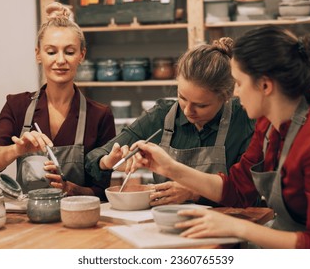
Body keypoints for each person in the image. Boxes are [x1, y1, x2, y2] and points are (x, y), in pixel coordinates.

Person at [130, 25, 310, 249]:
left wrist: (237, 227)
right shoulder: (269, 125)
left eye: (239, 83)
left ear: (265, 85)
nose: (235, 93)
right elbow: (238, 189)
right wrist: (169, 167)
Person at [85, 38, 255, 207]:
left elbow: (249, 193)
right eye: (182, 97)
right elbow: (92, 159)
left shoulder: (244, 118)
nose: (188, 111)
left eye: (201, 105)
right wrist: (108, 161)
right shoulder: (161, 116)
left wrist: (194, 192)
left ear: (227, 96)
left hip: (226, 223)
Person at [0, 2, 116, 199]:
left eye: (69, 52)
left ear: (81, 55)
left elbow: (102, 190)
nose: (60, 60)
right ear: (38, 54)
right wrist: (17, 149)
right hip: (29, 219)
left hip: (80, 221)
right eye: (51, 51)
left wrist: (68, 188)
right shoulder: (17, 106)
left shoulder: (99, 115)